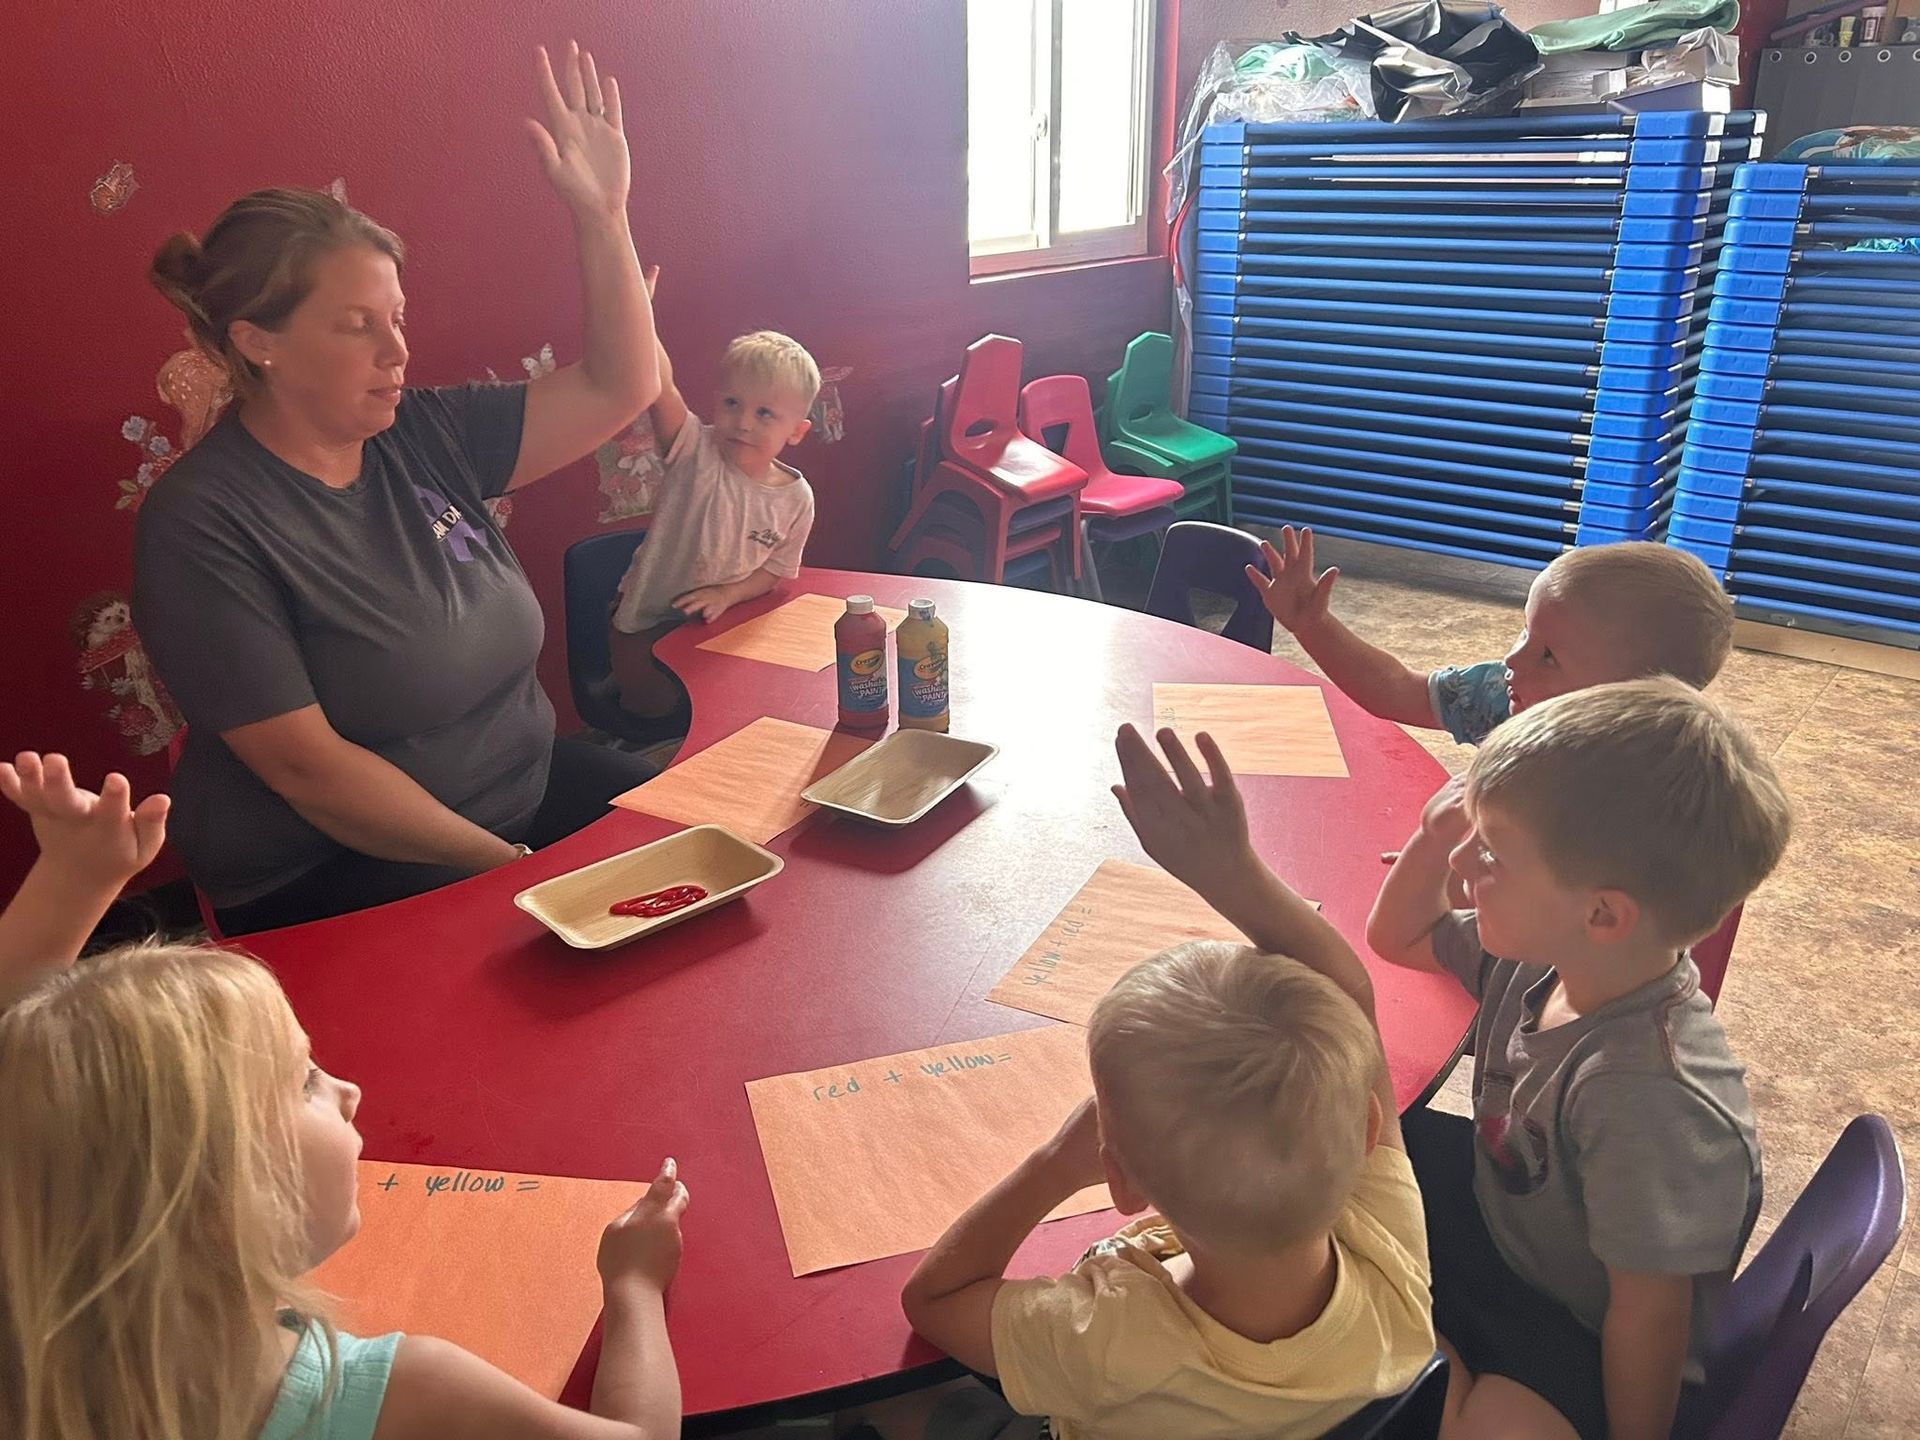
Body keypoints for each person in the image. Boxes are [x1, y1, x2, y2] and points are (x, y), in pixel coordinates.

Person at [0, 751, 691, 1440]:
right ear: (224, 1196)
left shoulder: (35, 1309)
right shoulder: (395, 1394)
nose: (349, 1090)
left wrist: (73, 883)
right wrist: (633, 1284)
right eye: (305, 1080)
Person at [134, 42, 662, 934]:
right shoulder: (202, 523)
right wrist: (522, 879)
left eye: (398, 319)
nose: (398, 352)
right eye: (356, 327)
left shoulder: (421, 430)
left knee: (726, 852)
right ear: (258, 339)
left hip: (517, 799)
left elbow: (621, 385)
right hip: (334, 868)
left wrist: (603, 214)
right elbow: (311, 772)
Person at [894, 725, 1434, 1440]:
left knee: (894, 1405)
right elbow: (1348, 998)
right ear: (1367, 1129)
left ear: (1120, 1183)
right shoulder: (1389, 1257)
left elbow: (935, 1301)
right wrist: (1232, 871)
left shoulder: (1103, 1338)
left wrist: (1052, 1166)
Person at [1365, 679, 1793, 1440]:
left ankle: (1433, 1360)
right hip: (1511, 1228)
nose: (1462, 864)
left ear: (1603, 913)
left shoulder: (1650, 1098)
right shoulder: (1546, 954)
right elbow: (1396, 936)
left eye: (1488, 849)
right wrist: (1435, 839)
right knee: (1333, 1138)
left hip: (1578, 1330)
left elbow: (1647, 1325)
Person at [1250, 530, 1735, 746]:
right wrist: (1313, 627)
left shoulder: (1657, 783)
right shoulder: (1505, 700)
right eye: (1525, 631)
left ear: (1636, 700)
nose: (1513, 660)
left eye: (1548, 656)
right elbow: (1397, 690)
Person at [607, 281, 820, 720]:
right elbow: (659, 386)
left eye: (764, 413)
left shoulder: (796, 499)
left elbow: (775, 572)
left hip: (722, 626)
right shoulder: (693, 450)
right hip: (645, 625)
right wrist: (639, 317)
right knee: (654, 717)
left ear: (796, 432)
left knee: (721, 715)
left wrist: (728, 592)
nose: (742, 422)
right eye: (732, 403)